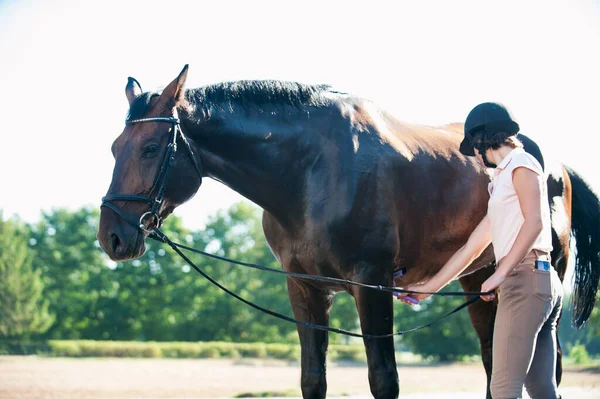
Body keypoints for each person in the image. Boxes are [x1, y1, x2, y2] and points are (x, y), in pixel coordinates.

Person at [397, 102, 563, 399]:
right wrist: (429, 287)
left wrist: (500, 274)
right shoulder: (500, 180)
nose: (474, 155)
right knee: (540, 388)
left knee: (502, 390)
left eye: (473, 147)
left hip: (525, 281)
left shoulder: (522, 164)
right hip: (535, 282)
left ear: (481, 140)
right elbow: (473, 246)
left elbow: (535, 223)